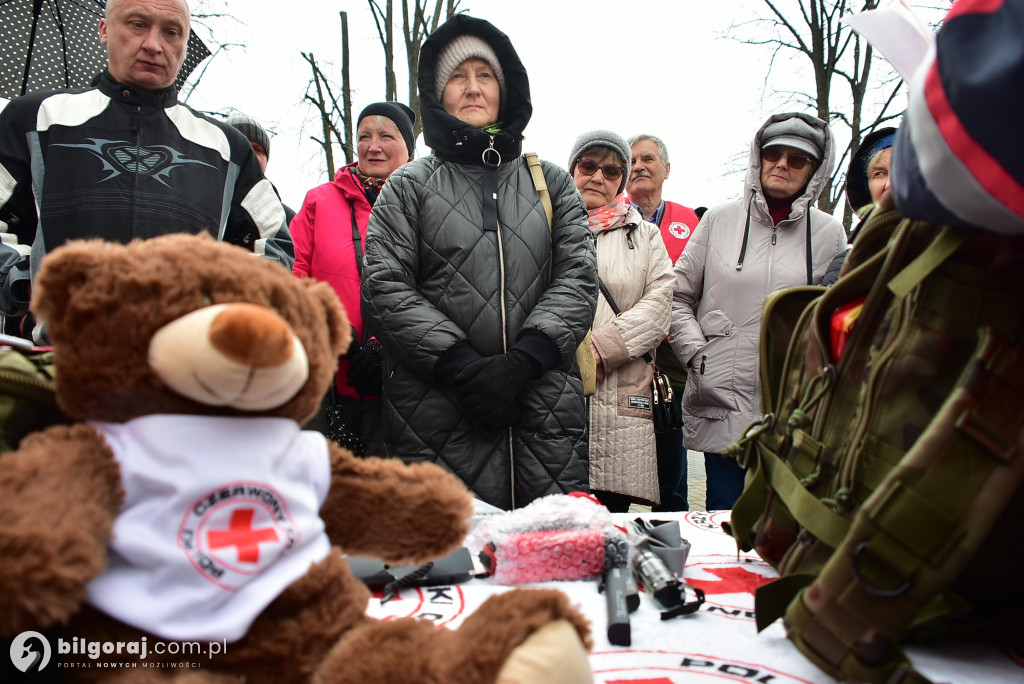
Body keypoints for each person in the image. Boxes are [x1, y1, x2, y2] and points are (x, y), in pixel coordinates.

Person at [360, 15, 598, 511]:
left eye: (484, 75)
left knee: (551, 569)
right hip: (436, 411)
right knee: (449, 570)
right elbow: (385, 287)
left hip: (544, 407)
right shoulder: (408, 186)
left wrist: (524, 361)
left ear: (505, 88)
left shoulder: (551, 183)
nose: (472, 88)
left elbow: (578, 278)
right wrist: (463, 367)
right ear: (436, 92)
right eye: (457, 76)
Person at [0, 0, 294, 341]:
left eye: (171, 32)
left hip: (183, 375)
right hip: (63, 369)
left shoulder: (229, 149)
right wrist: (25, 279)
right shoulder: (33, 120)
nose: (154, 45)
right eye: (137, 24)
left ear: (184, 44)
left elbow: (271, 245)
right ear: (105, 29)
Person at [669, 112, 846, 510]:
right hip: (721, 395)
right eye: (773, 153)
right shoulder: (718, 219)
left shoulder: (831, 233)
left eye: (797, 159)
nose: (782, 164)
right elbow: (675, 295)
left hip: (790, 402)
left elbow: (833, 314)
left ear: (815, 172)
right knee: (724, 519)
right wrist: (698, 356)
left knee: (780, 527)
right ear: (758, 158)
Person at [291, 101, 417, 456]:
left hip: (397, 384)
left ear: (408, 148)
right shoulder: (320, 201)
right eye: (364, 136)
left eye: (385, 136)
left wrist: (382, 345)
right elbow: (294, 274)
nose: (372, 145)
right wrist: (329, 323)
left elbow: (435, 288)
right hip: (325, 378)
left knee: (383, 497)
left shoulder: (426, 205)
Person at [570, 130, 673, 512]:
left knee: (611, 520)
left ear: (621, 180)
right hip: (556, 389)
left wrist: (598, 350)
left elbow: (660, 306)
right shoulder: (543, 228)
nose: (598, 176)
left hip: (619, 391)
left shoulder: (645, 236)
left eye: (612, 170)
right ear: (572, 168)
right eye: (588, 165)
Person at [626, 133, 701, 511]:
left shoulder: (693, 224)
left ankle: (672, 537)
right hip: (619, 353)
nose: (639, 165)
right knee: (615, 467)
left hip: (670, 361)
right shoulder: (605, 216)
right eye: (632, 159)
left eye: (648, 158)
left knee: (670, 469)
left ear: (666, 169)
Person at [822, 126, 895, 286]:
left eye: (902, 170)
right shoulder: (845, 265)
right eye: (879, 173)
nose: (890, 184)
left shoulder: (955, 250)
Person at [226, 112, 297, 224]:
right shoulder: (198, 204)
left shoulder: (288, 220)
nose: (250, 155)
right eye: (241, 146)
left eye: (257, 150)